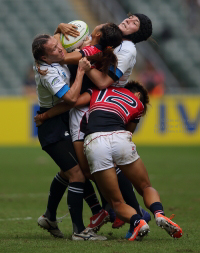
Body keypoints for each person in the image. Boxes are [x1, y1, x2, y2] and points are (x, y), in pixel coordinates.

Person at [35, 13, 153, 233]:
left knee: (88, 168)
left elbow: (102, 81)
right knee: (76, 168)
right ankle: (104, 210)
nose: (128, 20)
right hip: (89, 104)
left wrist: (81, 66)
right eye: (129, 17)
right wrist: (60, 31)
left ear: (138, 33)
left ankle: (128, 211)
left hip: (96, 106)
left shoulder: (122, 49)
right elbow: (55, 50)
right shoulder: (105, 46)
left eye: (134, 22)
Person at [80, 80, 183, 241]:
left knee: (116, 202)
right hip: (120, 137)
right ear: (138, 94)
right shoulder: (138, 104)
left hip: (95, 141)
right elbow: (130, 130)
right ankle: (159, 214)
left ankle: (138, 221)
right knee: (145, 186)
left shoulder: (99, 91)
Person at [32, 33, 107, 241]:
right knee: (77, 175)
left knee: (68, 173)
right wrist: (82, 72)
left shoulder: (47, 56)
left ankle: (49, 217)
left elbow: (54, 37)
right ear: (45, 58)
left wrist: (60, 28)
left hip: (61, 121)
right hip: (53, 128)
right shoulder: (48, 72)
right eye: (54, 49)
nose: (60, 48)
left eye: (58, 45)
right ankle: (79, 231)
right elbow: (72, 99)